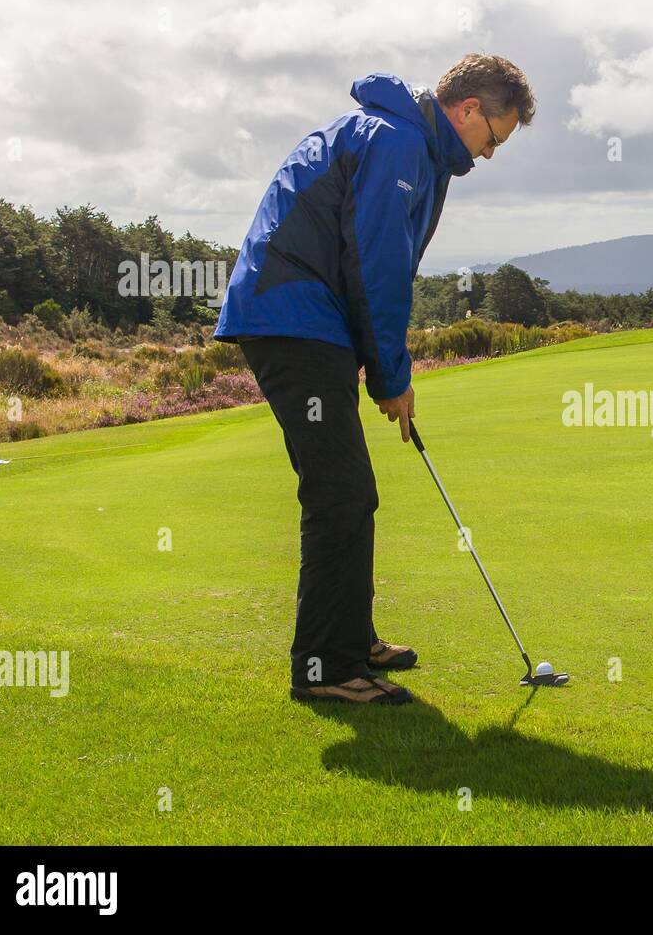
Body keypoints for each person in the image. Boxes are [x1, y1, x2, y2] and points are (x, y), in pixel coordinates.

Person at [214, 54, 536, 706]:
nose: (490, 153)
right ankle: (325, 670)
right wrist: (391, 376)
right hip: (292, 319)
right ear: (469, 109)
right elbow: (377, 267)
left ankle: (351, 639)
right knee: (341, 491)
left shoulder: (406, 141)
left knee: (349, 491)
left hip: (308, 320)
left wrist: (377, 363)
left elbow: (369, 266)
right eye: (493, 137)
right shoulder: (396, 145)